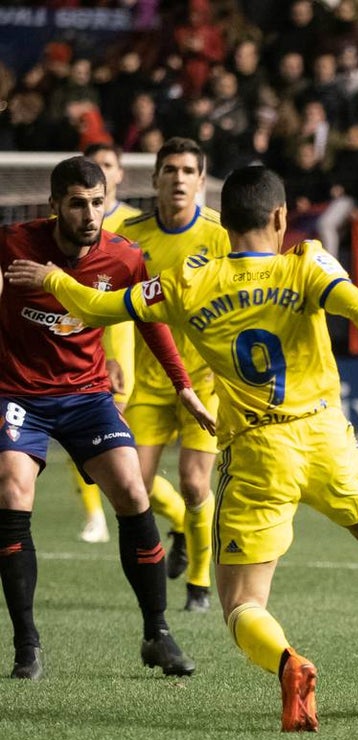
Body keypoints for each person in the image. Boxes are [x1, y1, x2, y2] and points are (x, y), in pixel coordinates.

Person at [9, 165, 358, 733]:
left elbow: (97, 308)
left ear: (222, 222)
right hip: (325, 438)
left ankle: (289, 662)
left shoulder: (189, 282)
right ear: (280, 217)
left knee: (242, 603)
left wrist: (54, 280)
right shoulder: (307, 264)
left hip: (257, 452)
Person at [0, 156, 212, 681]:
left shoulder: (123, 256)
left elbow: (151, 321)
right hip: (19, 393)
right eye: (78, 204)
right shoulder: (14, 244)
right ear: (55, 206)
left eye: (98, 202)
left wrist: (183, 384)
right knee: (12, 489)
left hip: (86, 394)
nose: (90, 214)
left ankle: (157, 633)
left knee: (134, 491)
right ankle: (27, 644)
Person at [118, 138, 231, 612]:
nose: (179, 178)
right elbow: (111, 302)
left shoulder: (220, 235)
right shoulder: (127, 234)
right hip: (148, 381)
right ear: (155, 179)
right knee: (133, 487)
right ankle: (183, 526)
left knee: (194, 483)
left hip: (203, 380)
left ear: (201, 181)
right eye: (170, 170)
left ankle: (199, 584)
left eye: (188, 171)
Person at [69, 142, 145, 544]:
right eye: (94, 163)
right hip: (74, 340)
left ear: (119, 174)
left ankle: (178, 519)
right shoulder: (62, 221)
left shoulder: (134, 223)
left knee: (126, 454)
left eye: (108, 164)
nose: (101, 168)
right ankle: (94, 516)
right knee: (72, 427)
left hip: (122, 343)